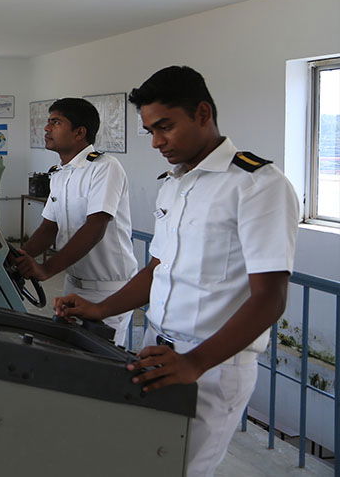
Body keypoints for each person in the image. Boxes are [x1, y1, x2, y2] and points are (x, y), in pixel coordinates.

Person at [55, 66, 299, 477]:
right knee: (143, 459)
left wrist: (196, 362)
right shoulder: (175, 183)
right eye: (150, 130)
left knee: (182, 469)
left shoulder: (257, 185)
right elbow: (159, 268)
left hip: (213, 364)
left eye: (165, 127)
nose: (157, 142)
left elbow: (270, 298)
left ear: (202, 113)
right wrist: (99, 309)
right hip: (157, 350)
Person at [11, 98, 138, 346]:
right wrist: (17, 259)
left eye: (56, 122)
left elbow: (95, 227)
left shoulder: (104, 168)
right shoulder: (60, 174)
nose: (47, 129)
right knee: (70, 356)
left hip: (107, 288)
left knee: (99, 362)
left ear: (80, 132)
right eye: (48, 122)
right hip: (73, 284)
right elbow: (49, 227)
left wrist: (46, 269)